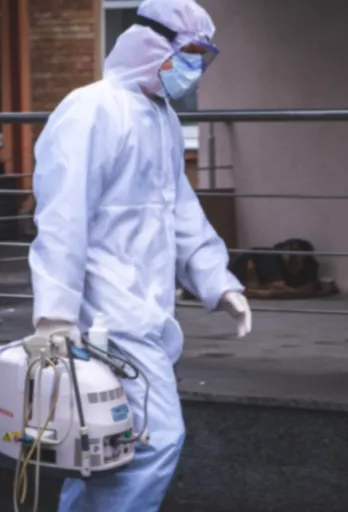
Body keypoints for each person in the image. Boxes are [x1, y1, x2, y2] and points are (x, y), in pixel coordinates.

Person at [28, 0, 252, 510]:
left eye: (203, 56)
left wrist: (218, 281)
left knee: (99, 447)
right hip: (105, 313)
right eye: (189, 52)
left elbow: (181, 211)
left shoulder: (162, 118)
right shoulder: (90, 109)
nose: (195, 68)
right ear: (152, 44)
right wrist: (55, 315)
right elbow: (63, 219)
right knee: (155, 439)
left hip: (146, 309)